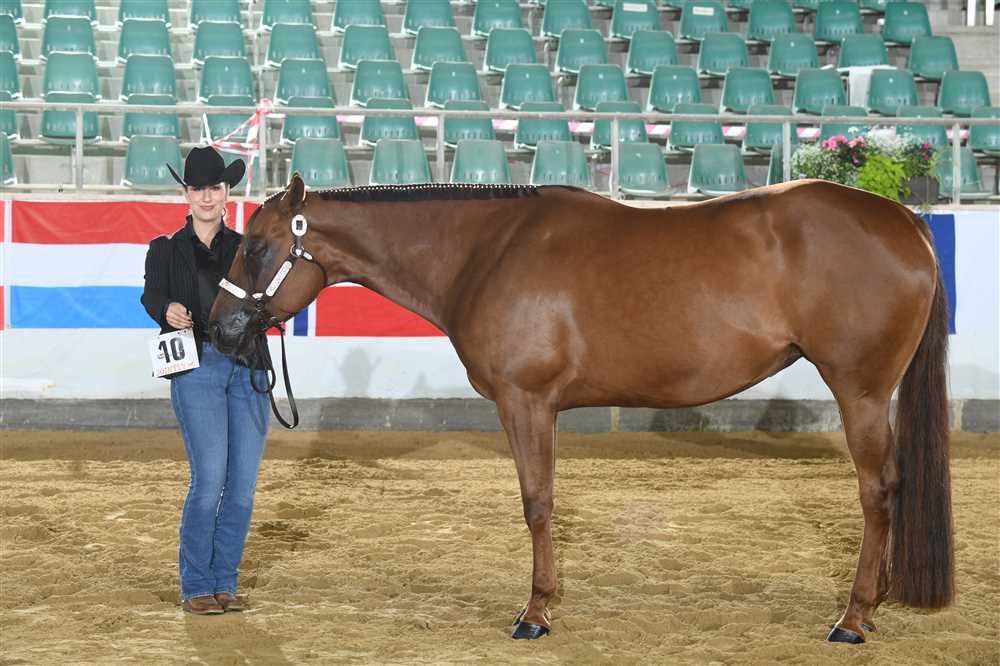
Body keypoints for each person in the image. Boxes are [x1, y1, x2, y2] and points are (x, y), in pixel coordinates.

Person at [140, 146, 270, 616]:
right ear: (187, 194)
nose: (207, 196)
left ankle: (224, 582)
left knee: (241, 486)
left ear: (226, 191)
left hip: (249, 367)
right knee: (210, 478)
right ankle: (198, 583)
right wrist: (166, 309)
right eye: (198, 188)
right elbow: (151, 294)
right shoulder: (165, 249)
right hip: (197, 366)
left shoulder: (248, 248)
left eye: (214, 187)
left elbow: (268, 300)